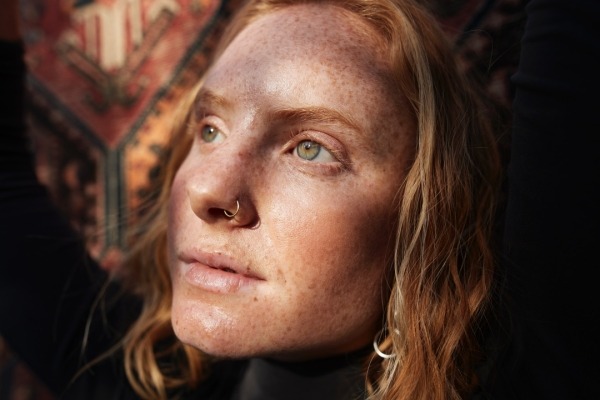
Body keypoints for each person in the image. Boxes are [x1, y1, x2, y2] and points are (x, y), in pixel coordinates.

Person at [1, 1, 598, 400]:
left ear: (424, 216)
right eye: (209, 129)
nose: (209, 190)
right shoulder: (148, 380)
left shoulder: (534, 374)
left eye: (310, 148)